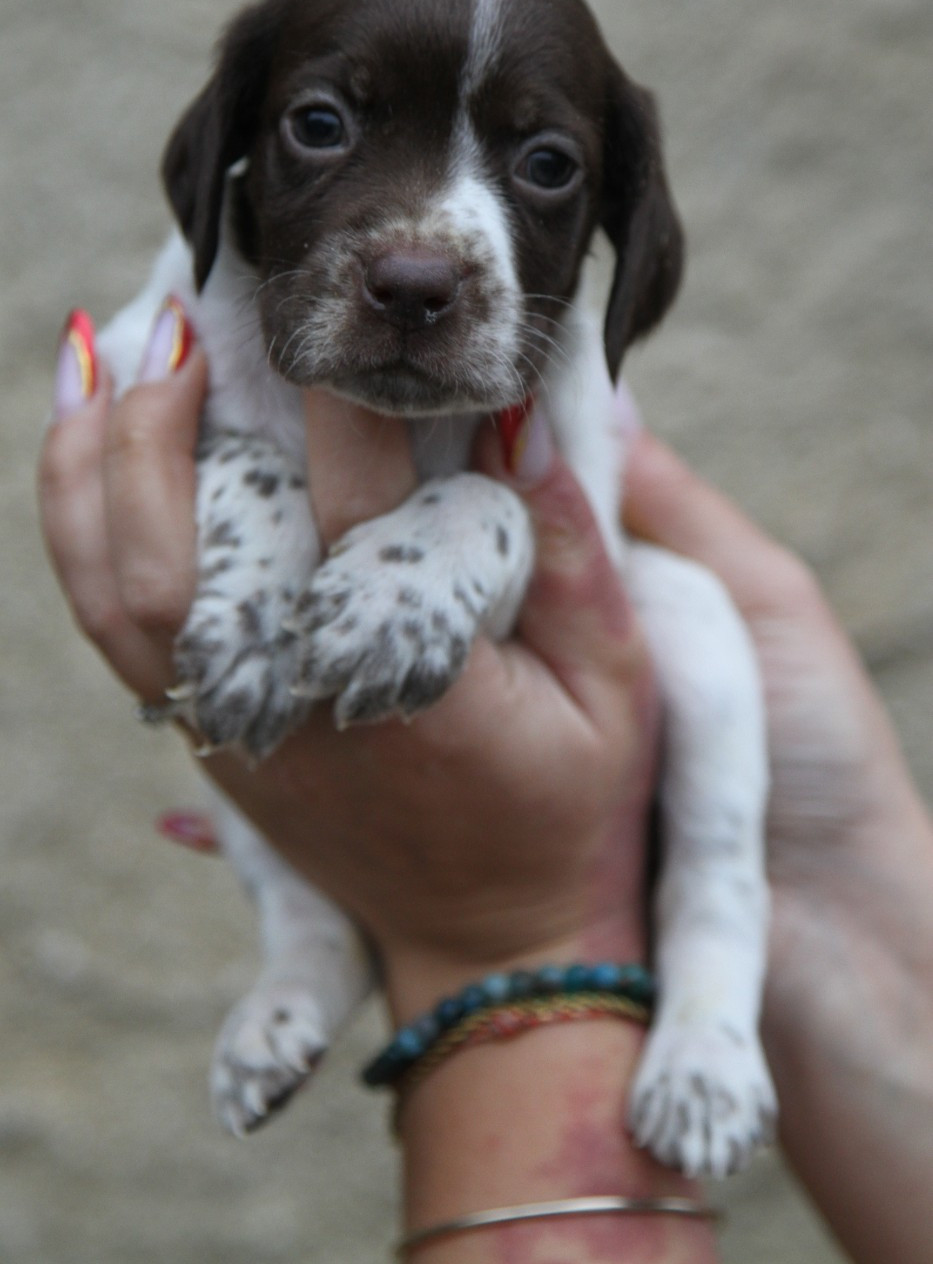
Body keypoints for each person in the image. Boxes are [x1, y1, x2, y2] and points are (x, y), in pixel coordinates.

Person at [39, 315, 933, 1263]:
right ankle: (309, 943)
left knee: (691, 611)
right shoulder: (202, 308)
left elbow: (537, 585)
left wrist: (497, 938)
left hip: (608, 717)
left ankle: (714, 973)